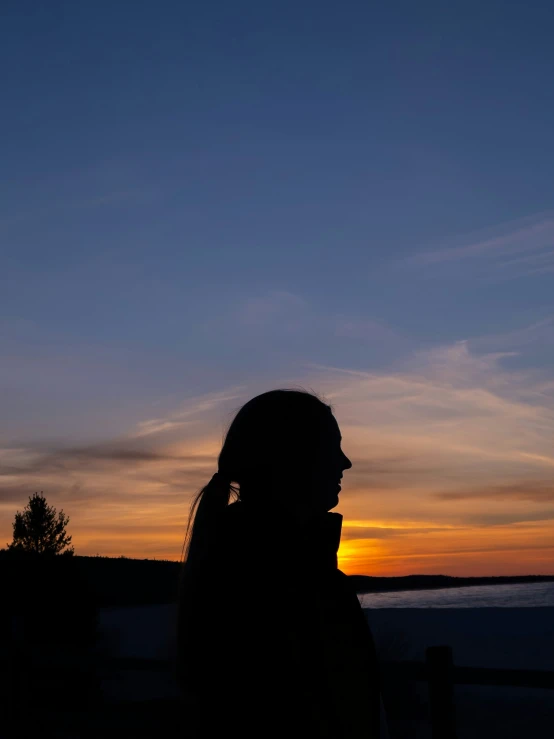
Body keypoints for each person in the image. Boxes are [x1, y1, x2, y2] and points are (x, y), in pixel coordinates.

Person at [176, 389, 386, 738]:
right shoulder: (281, 584)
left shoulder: (237, 566)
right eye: (332, 447)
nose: (345, 462)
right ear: (293, 458)